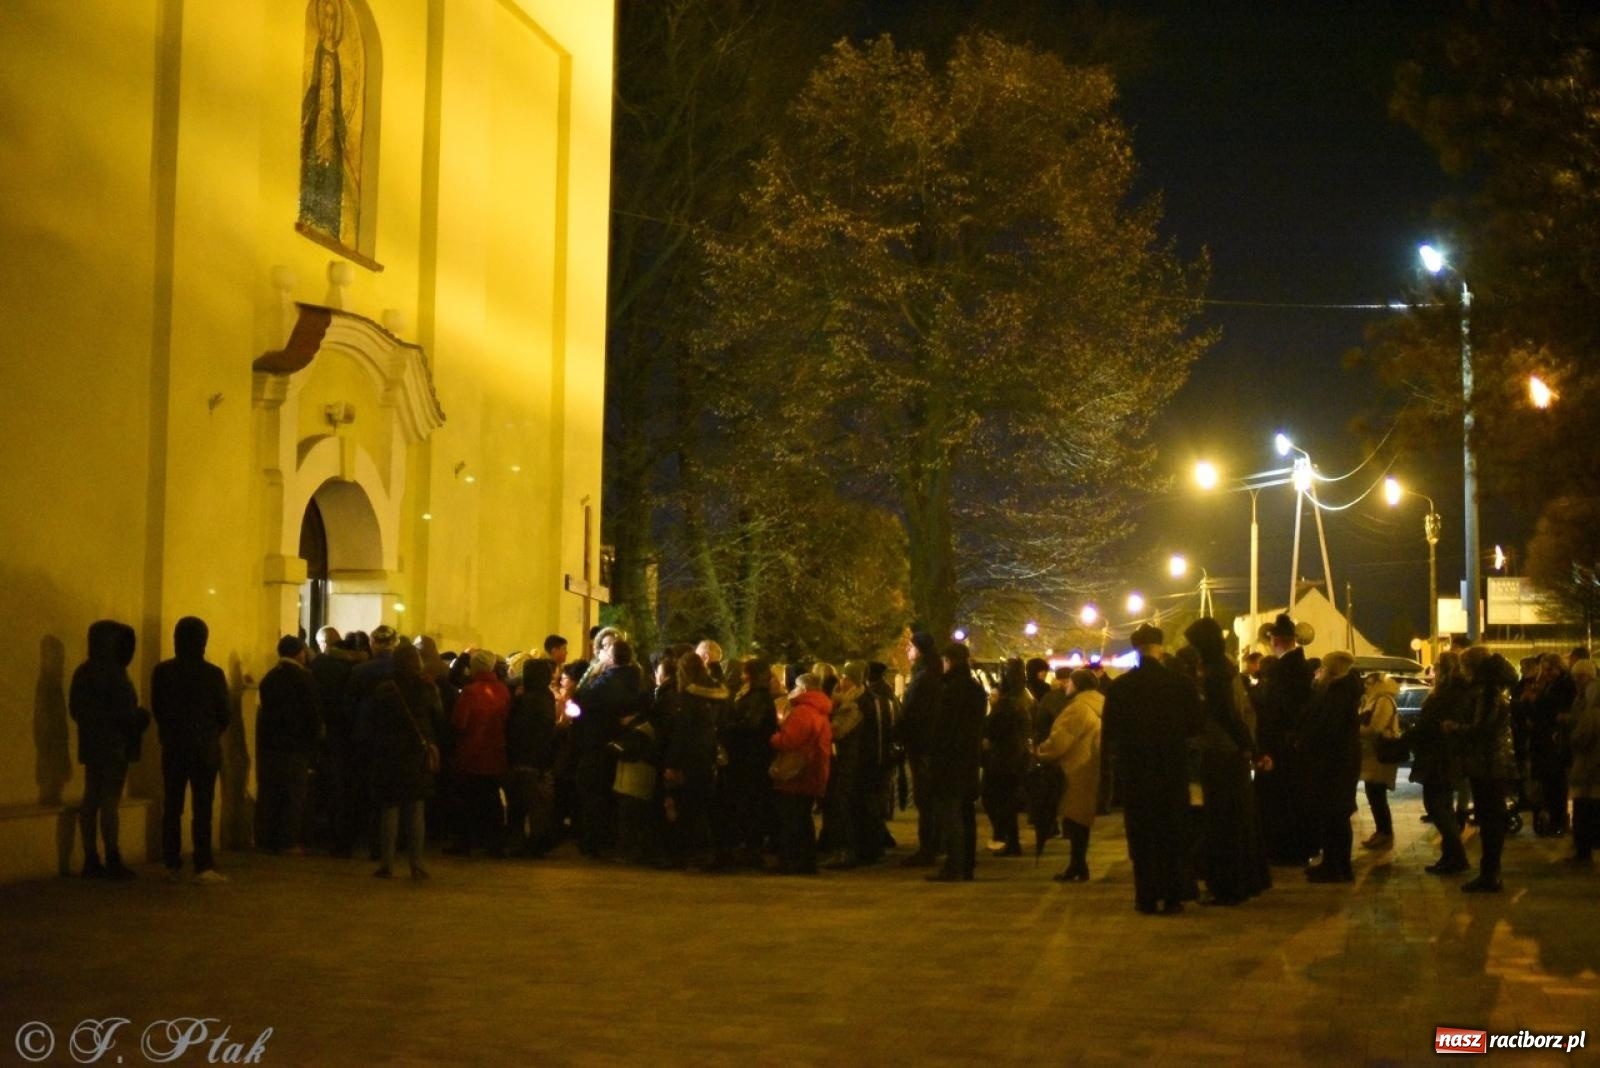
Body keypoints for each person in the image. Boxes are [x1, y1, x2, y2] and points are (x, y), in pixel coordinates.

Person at [1100, 624, 1203, 913]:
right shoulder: (1180, 684)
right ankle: (1173, 895)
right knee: (1172, 831)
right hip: (1172, 767)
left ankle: (1145, 895)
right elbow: (1195, 725)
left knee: (1143, 833)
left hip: (1136, 770)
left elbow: (1110, 732)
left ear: (1136, 649)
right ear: (1160, 648)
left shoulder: (1121, 687)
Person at [1184, 617, 1270, 905]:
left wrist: (1252, 749)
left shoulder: (1215, 674)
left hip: (1221, 752)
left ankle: (1228, 886)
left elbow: (1227, 717)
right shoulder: (1225, 667)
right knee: (1236, 818)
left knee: (1223, 822)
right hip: (1229, 752)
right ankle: (1241, 882)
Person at [151, 616, 232, 883]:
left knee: (172, 806)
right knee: (203, 808)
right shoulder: (213, 674)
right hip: (204, 747)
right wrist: (209, 731)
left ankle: (171, 861)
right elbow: (224, 714)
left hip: (174, 745)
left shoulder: (163, 672)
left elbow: (158, 708)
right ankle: (202, 863)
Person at [69, 620, 146, 879]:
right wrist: (139, 718)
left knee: (91, 797)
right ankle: (112, 857)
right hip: (115, 745)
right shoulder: (116, 674)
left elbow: (75, 710)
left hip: (91, 743)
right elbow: (125, 714)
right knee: (110, 800)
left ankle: (91, 857)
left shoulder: (83, 672)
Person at [370, 644, 444, 878]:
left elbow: (375, 719)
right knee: (415, 810)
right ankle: (416, 864)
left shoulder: (384, 688)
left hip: (389, 752)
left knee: (389, 809)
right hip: (417, 753)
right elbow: (438, 717)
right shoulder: (426, 687)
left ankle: (387, 864)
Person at [1455, 646, 1519, 893]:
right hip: (1491, 762)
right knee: (1491, 817)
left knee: (1491, 818)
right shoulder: (1494, 688)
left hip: (1489, 763)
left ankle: (1490, 874)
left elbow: (1482, 728)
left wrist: (1456, 728)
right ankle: (1489, 872)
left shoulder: (1488, 691)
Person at [1252, 613, 1314, 865]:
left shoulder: (1283, 670)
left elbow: (1275, 711)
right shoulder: (1300, 667)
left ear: (1275, 640)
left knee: (1281, 802)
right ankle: (1295, 849)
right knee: (1294, 800)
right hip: (1293, 745)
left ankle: (1284, 851)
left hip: (1280, 747)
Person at [256, 635, 322, 855]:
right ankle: (288, 841)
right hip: (296, 746)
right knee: (294, 795)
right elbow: (312, 714)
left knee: (271, 793)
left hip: (270, 745)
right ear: (299, 653)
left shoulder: (270, 678)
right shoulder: (304, 678)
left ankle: (268, 839)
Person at [1301, 650, 1363, 883]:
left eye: (1323, 668)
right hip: (1339, 762)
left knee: (1335, 815)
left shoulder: (1338, 693)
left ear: (1331, 670)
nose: (1320, 672)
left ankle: (1336, 867)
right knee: (1335, 815)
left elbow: (1328, 729)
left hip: (1334, 764)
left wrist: (1308, 741)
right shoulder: (1340, 691)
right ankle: (1335, 864)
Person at [1036, 668, 1102, 883]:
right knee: (1081, 819)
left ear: (1078, 685)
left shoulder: (1078, 708)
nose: (1066, 686)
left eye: (1070, 682)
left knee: (1074, 818)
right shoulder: (1098, 705)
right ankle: (1078, 864)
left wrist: (1041, 751)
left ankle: (1077, 864)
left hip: (1072, 769)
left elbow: (1061, 739)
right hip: (1089, 765)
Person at [927, 643, 986, 882]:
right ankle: (967, 864)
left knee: (952, 812)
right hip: (969, 758)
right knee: (966, 812)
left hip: (951, 760)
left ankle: (954, 865)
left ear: (949, 661)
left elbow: (943, 728)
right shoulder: (975, 689)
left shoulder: (950, 689)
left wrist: (935, 754)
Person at [662, 649, 725, 868]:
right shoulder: (717, 695)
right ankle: (706, 853)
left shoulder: (688, 699)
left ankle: (693, 853)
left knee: (690, 808)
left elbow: (682, 733)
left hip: (690, 759)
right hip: (708, 757)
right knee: (703, 806)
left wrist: (671, 763)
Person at [447, 648, 510, 856]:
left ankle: (464, 842)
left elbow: (459, 722)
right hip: (496, 751)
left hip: (471, 752)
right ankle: (494, 844)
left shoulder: (470, 691)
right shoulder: (503, 690)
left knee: (467, 800)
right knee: (492, 799)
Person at [770, 673, 833, 875]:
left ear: (804, 689)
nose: (793, 691)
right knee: (803, 818)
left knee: (792, 819)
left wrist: (774, 737)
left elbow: (789, 740)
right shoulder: (820, 710)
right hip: (813, 769)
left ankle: (792, 861)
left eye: (796, 687)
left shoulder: (804, 711)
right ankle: (806, 862)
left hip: (797, 772)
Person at [723, 658, 779, 866]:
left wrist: (728, 728)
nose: (741, 676)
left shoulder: (759, 697)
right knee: (749, 803)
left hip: (752, 759)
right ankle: (749, 846)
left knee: (751, 803)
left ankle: (752, 849)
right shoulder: (756, 695)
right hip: (751, 757)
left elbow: (750, 725)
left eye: (745, 672)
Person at [898, 631, 943, 866]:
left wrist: (900, 732)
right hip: (928, 744)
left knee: (925, 798)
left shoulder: (924, 678)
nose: (908, 650)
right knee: (929, 799)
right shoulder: (931, 674)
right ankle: (933, 844)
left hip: (922, 745)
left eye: (911, 646)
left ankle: (928, 849)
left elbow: (913, 712)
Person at [505, 658, 558, 857]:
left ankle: (521, 842)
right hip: (540, 758)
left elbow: (517, 729)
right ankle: (536, 841)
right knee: (537, 804)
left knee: (519, 804)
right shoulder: (547, 697)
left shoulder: (527, 700)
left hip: (524, 758)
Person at [982, 658, 1033, 857]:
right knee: (1007, 799)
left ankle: (1007, 838)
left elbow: (993, 728)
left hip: (1003, 757)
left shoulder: (1008, 703)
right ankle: (1009, 839)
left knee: (996, 798)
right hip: (1017, 755)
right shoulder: (1025, 698)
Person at [1527, 652, 1576, 836]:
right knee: (1548, 783)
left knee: (1556, 782)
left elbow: (1553, 707)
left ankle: (1558, 820)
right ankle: (1552, 819)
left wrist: (1537, 700)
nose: (1547, 673)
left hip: (1554, 740)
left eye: (1550, 669)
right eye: (1544, 669)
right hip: (1543, 738)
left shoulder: (1564, 684)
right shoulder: (1548, 684)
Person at [1357, 671, 1402, 850]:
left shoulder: (1383, 700)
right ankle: (1381, 831)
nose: (1366, 686)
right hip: (1371, 755)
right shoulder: (1371, 700)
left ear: (1378, 684)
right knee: (1373, 794)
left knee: (1377, 794)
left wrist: (1354, 729)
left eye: (1369, 683)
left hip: (1380, 754)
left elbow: (1376, 728)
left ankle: (1385, 833)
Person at [1567, 660, 1600, 865]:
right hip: (1594, 769)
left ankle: (1583, 852)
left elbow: (1579, 739)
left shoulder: (1591, 715)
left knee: (1583, 810)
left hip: (1588, 768)